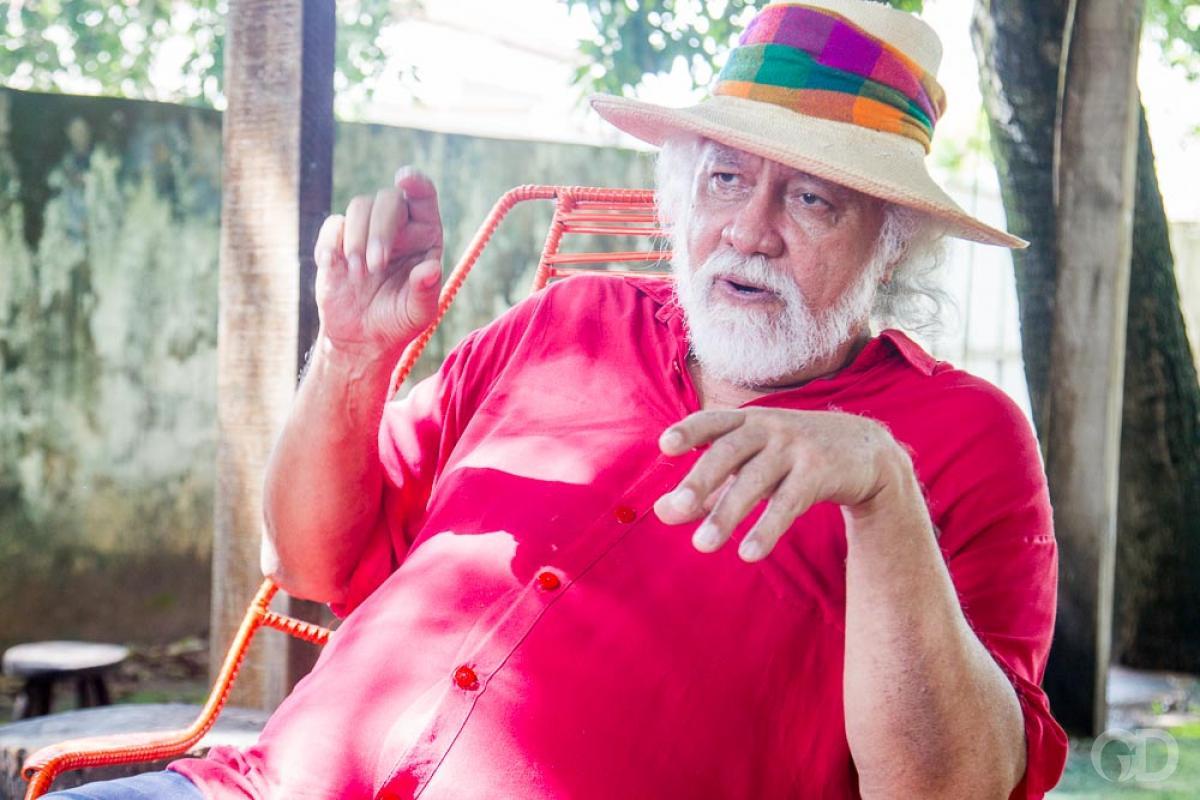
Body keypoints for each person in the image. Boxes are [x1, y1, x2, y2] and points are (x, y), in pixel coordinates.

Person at [45, 0, 1067, 797]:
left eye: (811, 198)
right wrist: (351, 359)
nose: (750, 230)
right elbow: (306, 561)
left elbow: (953, 785)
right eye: (724, 179)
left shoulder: (960, 439)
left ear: (892, 242)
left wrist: (883, 496)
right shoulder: (569, 318)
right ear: (680, 192)